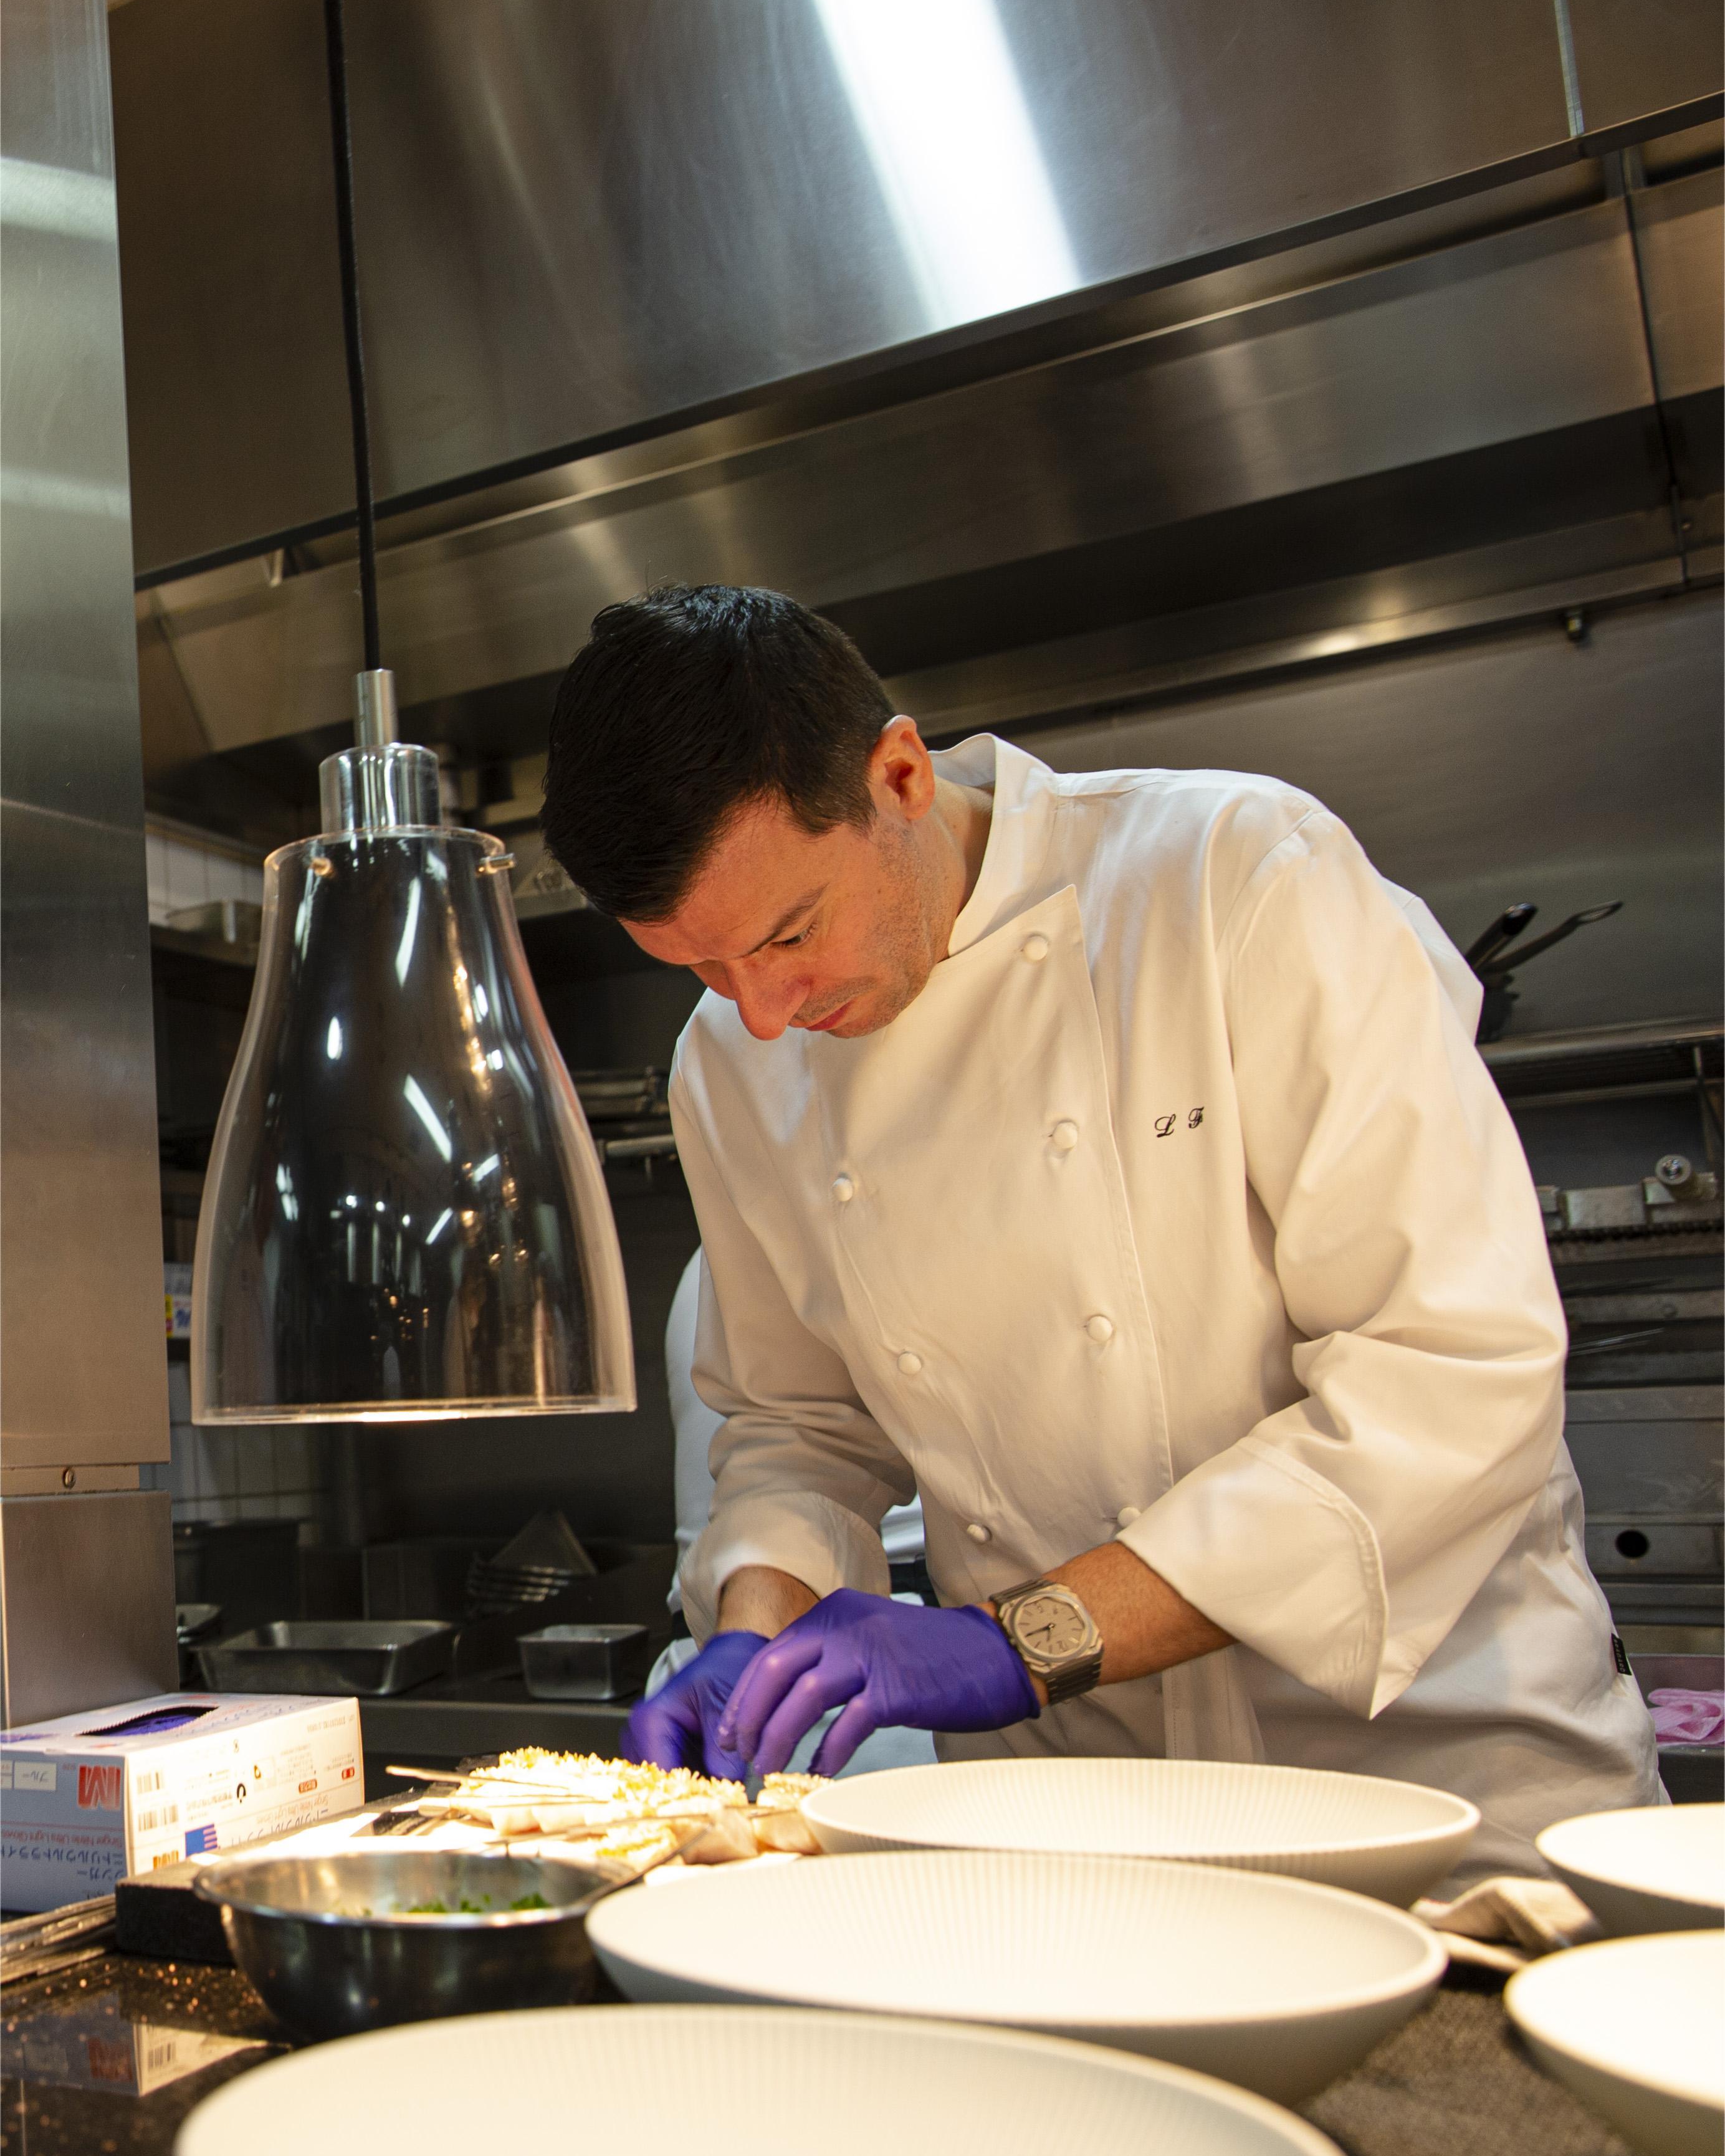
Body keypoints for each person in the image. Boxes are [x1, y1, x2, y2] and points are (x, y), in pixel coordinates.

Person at [541, 584, 1658, 1883]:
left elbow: (1446, 1372)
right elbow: (797, 1423)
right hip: (1070, 1823)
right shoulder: (730, 1064)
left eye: (791, 933)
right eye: (706, 970)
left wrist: (1016, 1643)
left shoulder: (1237, 880)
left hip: (1428, 1785)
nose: (766, 1013)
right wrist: (757, 1621)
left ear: (897, 774)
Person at [644, 1246, 937, 1778]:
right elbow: (802, 1449)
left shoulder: (709, 1259)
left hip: (747, 1659)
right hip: (861, 1676)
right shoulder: (747, 1237)